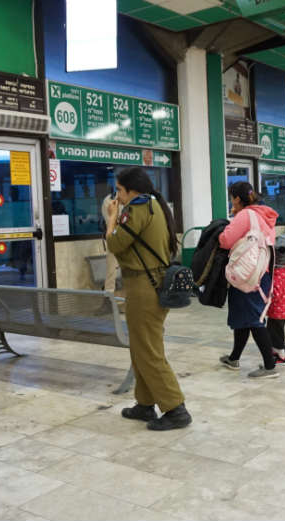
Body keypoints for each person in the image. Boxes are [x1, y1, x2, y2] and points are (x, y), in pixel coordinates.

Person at [105, 167, 190, 431]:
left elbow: (115, 244)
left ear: (132, 191)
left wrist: (112, 218)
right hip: (150, 283)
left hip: (144, 286)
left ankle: (176, 408)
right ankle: (144, 403)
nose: (116, 196)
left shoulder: (137, 210)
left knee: (149, 350)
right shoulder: (154, 206)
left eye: (119, 190)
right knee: (141, 347)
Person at [217, 182, 280, 379]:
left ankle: (270, 366)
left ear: (236, 198)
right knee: (243, 318)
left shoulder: (245, 215)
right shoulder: (263, 214)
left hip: (247, 274)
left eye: (231, 198)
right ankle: (234, 358)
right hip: (260, 273)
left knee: (253, 320)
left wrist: (221, 231)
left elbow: (225, 240)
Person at [100, 193, 123, 293]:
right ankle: (108, 296)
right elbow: (110, 221)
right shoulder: (108, 201)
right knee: (111, 268)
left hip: (127, 236)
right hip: (114, 234)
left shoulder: (133, 200)